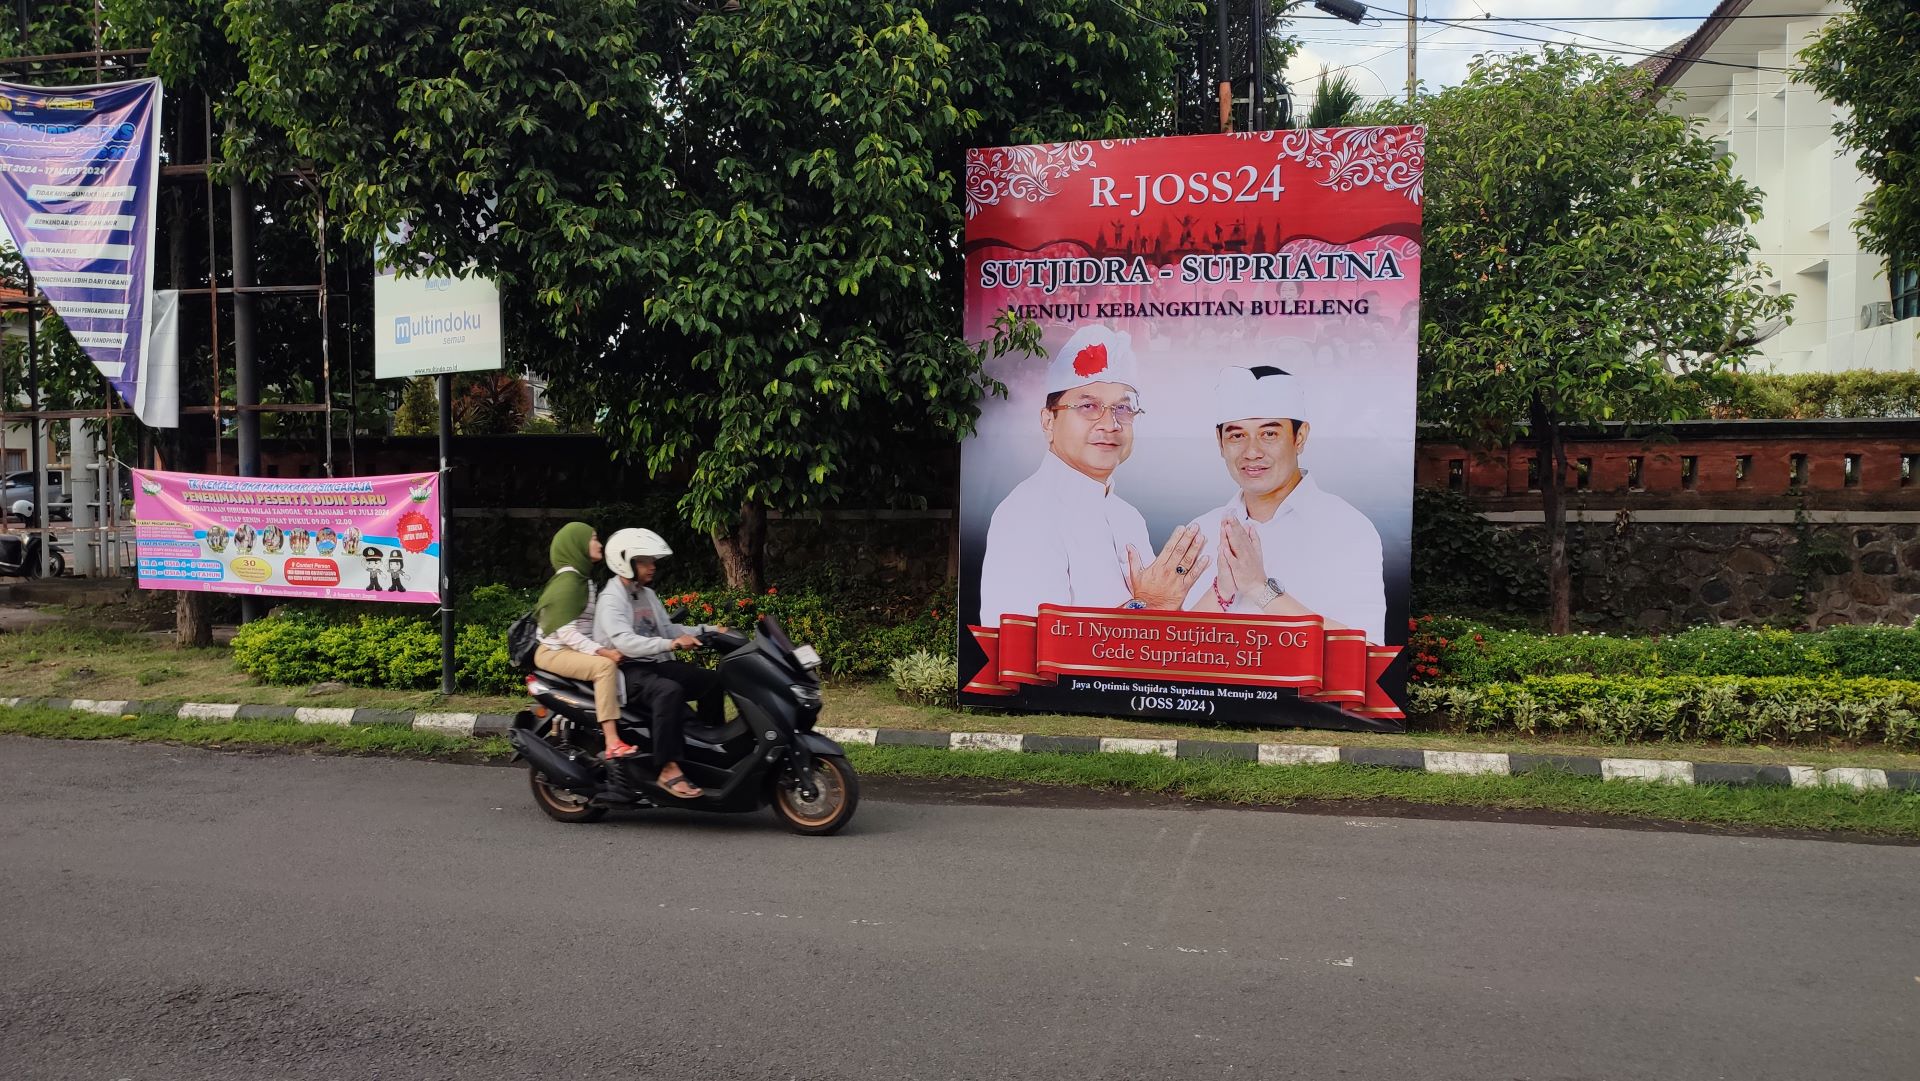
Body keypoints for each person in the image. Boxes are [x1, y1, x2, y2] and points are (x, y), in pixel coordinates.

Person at [977, 323, 1205, 625]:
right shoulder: (1027, 514)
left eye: (1123, 409)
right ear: (1048, 421)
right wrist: (1148, 604)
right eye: (1088, 406)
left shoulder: (1128, 517)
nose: (1110, 424)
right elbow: (1025, 656)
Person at [1182, 365, 1386, 642]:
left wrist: (1260, 590)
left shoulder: (1348, 528)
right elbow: (1177, 649)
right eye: (1236, 435)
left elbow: (1366, 651)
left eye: (1269, 434)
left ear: (1299, 438)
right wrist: (1221, 592)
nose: (1251, 452)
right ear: (1220, 443)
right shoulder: (1201, 531)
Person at [594, 528, 728, 800]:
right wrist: (672, 644)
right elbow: (625, 643)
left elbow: (667, 629)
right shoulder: (611, 600)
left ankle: (705, 751)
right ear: (625, 562)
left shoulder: (646, 594)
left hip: (652, 663)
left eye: (652, 561)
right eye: (645, 561)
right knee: (668, 691)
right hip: (625, 671)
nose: (652, 566)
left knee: (711, 681)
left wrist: (709, 630)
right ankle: (667, 768)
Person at [530, 522, 634, 759]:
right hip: (554, 651)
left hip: (570, 647)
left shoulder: (581, 579)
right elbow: (567, 633)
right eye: (594, 539)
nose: (599, 544)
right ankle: (612, 741)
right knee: (605, 668)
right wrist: (603, 653)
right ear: (576, 545)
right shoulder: (567, 583)